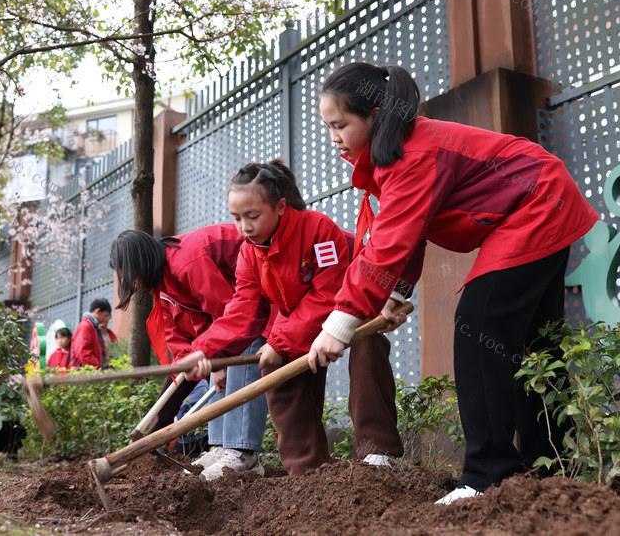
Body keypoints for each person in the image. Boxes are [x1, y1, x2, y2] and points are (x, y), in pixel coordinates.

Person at [307, 61, 598, 503]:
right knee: (534, 345)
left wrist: (339, 323)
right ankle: (550, 467)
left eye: (340, 124)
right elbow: (410, 232)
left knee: (480, 330)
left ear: (376, 114)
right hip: (543, 199)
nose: (332, 137)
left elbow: (386, 246)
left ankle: (486, 475)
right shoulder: (397, 156)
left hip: (537, 203)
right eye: (327, 126)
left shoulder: (414, 155)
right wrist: (397, 295)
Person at [181, 160, 402, 478]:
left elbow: (328, 293)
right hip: (299, 322)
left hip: (349, 309)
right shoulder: (249, 252)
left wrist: (281, 339)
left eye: (253, 216)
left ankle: (379, 453)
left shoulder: (319, 230)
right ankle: (309, 470)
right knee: (274, 363)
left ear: (280, 207)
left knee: (368, 342)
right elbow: (241, 309)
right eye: (236, 218)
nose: (244, 227)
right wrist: (205, 349)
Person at [110, 223, 273, 480]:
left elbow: (233, 314)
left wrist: (217, 360)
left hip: (261, 302)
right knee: (213, 372)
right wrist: (156, 430)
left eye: (130, 274)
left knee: (243, 349)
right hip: (239, 313)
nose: (133, 283)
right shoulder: (164, 288)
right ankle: (223, 446)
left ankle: (243, 453)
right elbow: (181, 352)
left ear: (140, 262)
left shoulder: (188, 260)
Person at [71, 299, 117, 368]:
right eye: (105, 316)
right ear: (98, 311)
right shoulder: (86, 326)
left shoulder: (93, 327)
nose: (106, 320)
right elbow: (83, 352)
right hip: (85, 374)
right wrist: (97, 366)